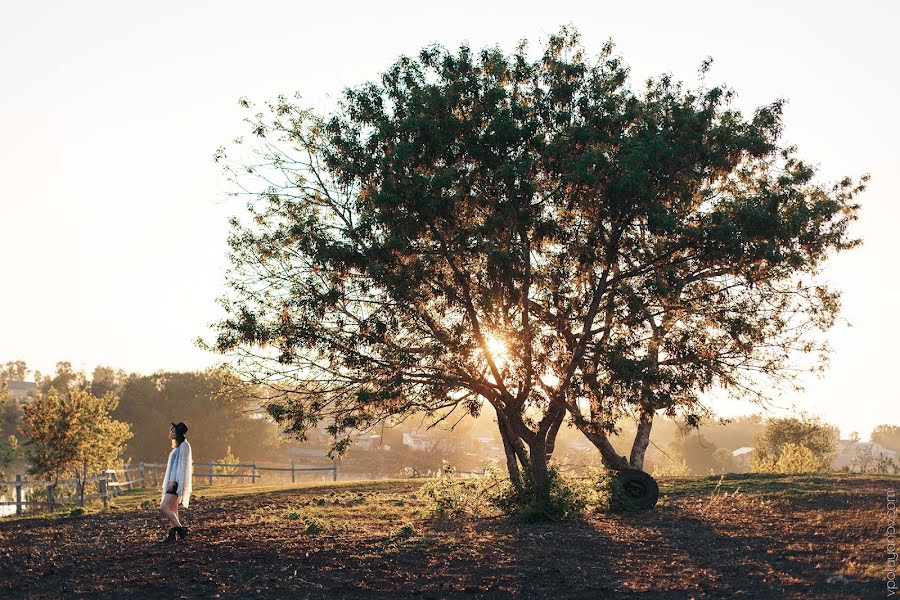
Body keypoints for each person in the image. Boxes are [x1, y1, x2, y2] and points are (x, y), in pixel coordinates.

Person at [158, 421, 193, 544]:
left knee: (163, 507)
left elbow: (183, 467)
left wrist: (175, 481)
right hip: (172, 482)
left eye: (172, 431)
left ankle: (181, 529)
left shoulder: (184, 446)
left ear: (177, 433)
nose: (170, 433)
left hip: (176, 483)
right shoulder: (178, 447)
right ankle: (172, 535)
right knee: (172, 509)